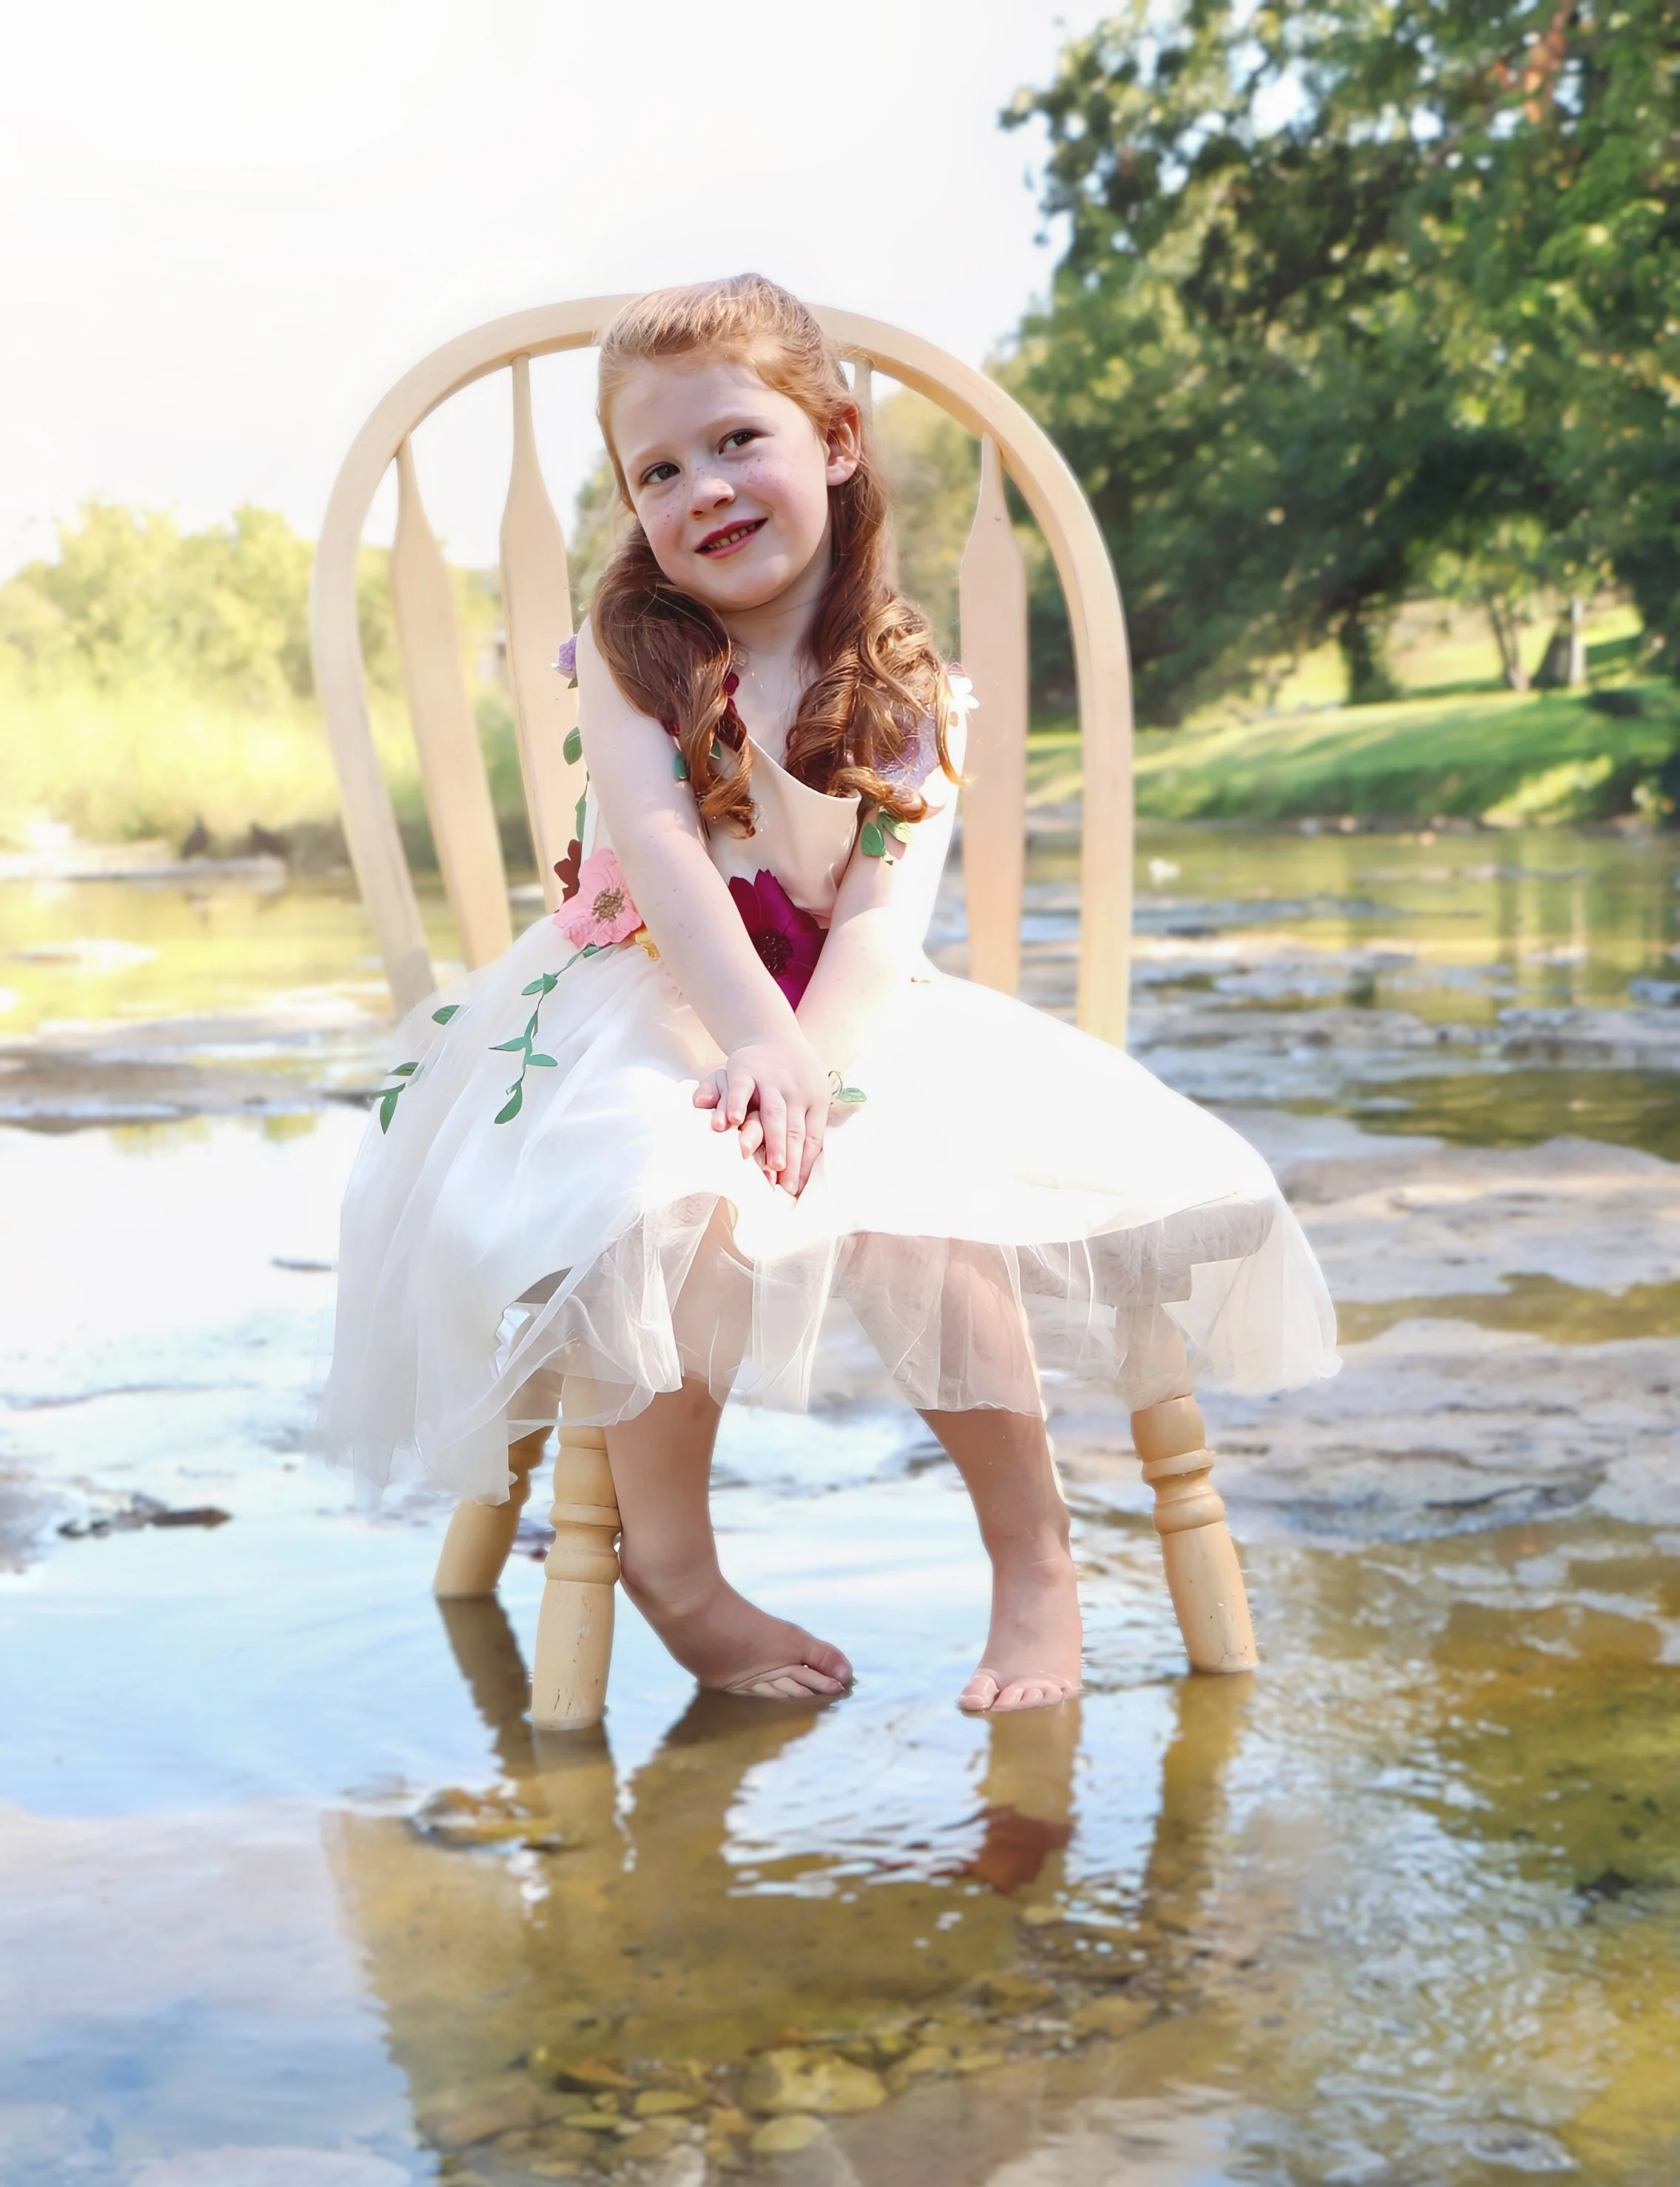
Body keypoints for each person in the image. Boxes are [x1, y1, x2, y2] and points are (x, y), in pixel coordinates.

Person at [322, 274, 1336, 1712]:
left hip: (855, 1011)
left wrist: (810, 1067)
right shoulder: (634, 653)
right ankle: (673, 1568)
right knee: (660, 1181)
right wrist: (746, 1044)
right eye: (658, 471)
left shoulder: (904, 681)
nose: (702, 488)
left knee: (914, 1197)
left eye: (737, 441)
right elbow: (666, 854)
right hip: (650, 1001)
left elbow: (877, 921)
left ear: (838, 442)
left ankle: (1032, 1557)